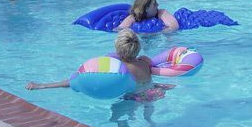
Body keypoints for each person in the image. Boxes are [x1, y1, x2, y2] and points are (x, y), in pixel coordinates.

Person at [26, 29, 156, 90]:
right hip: (151, 94)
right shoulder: (144, 62)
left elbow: (75, 81)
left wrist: (44, 85)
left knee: (118, 118)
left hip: (130, 97)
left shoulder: (117, 68)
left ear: (117, 48)